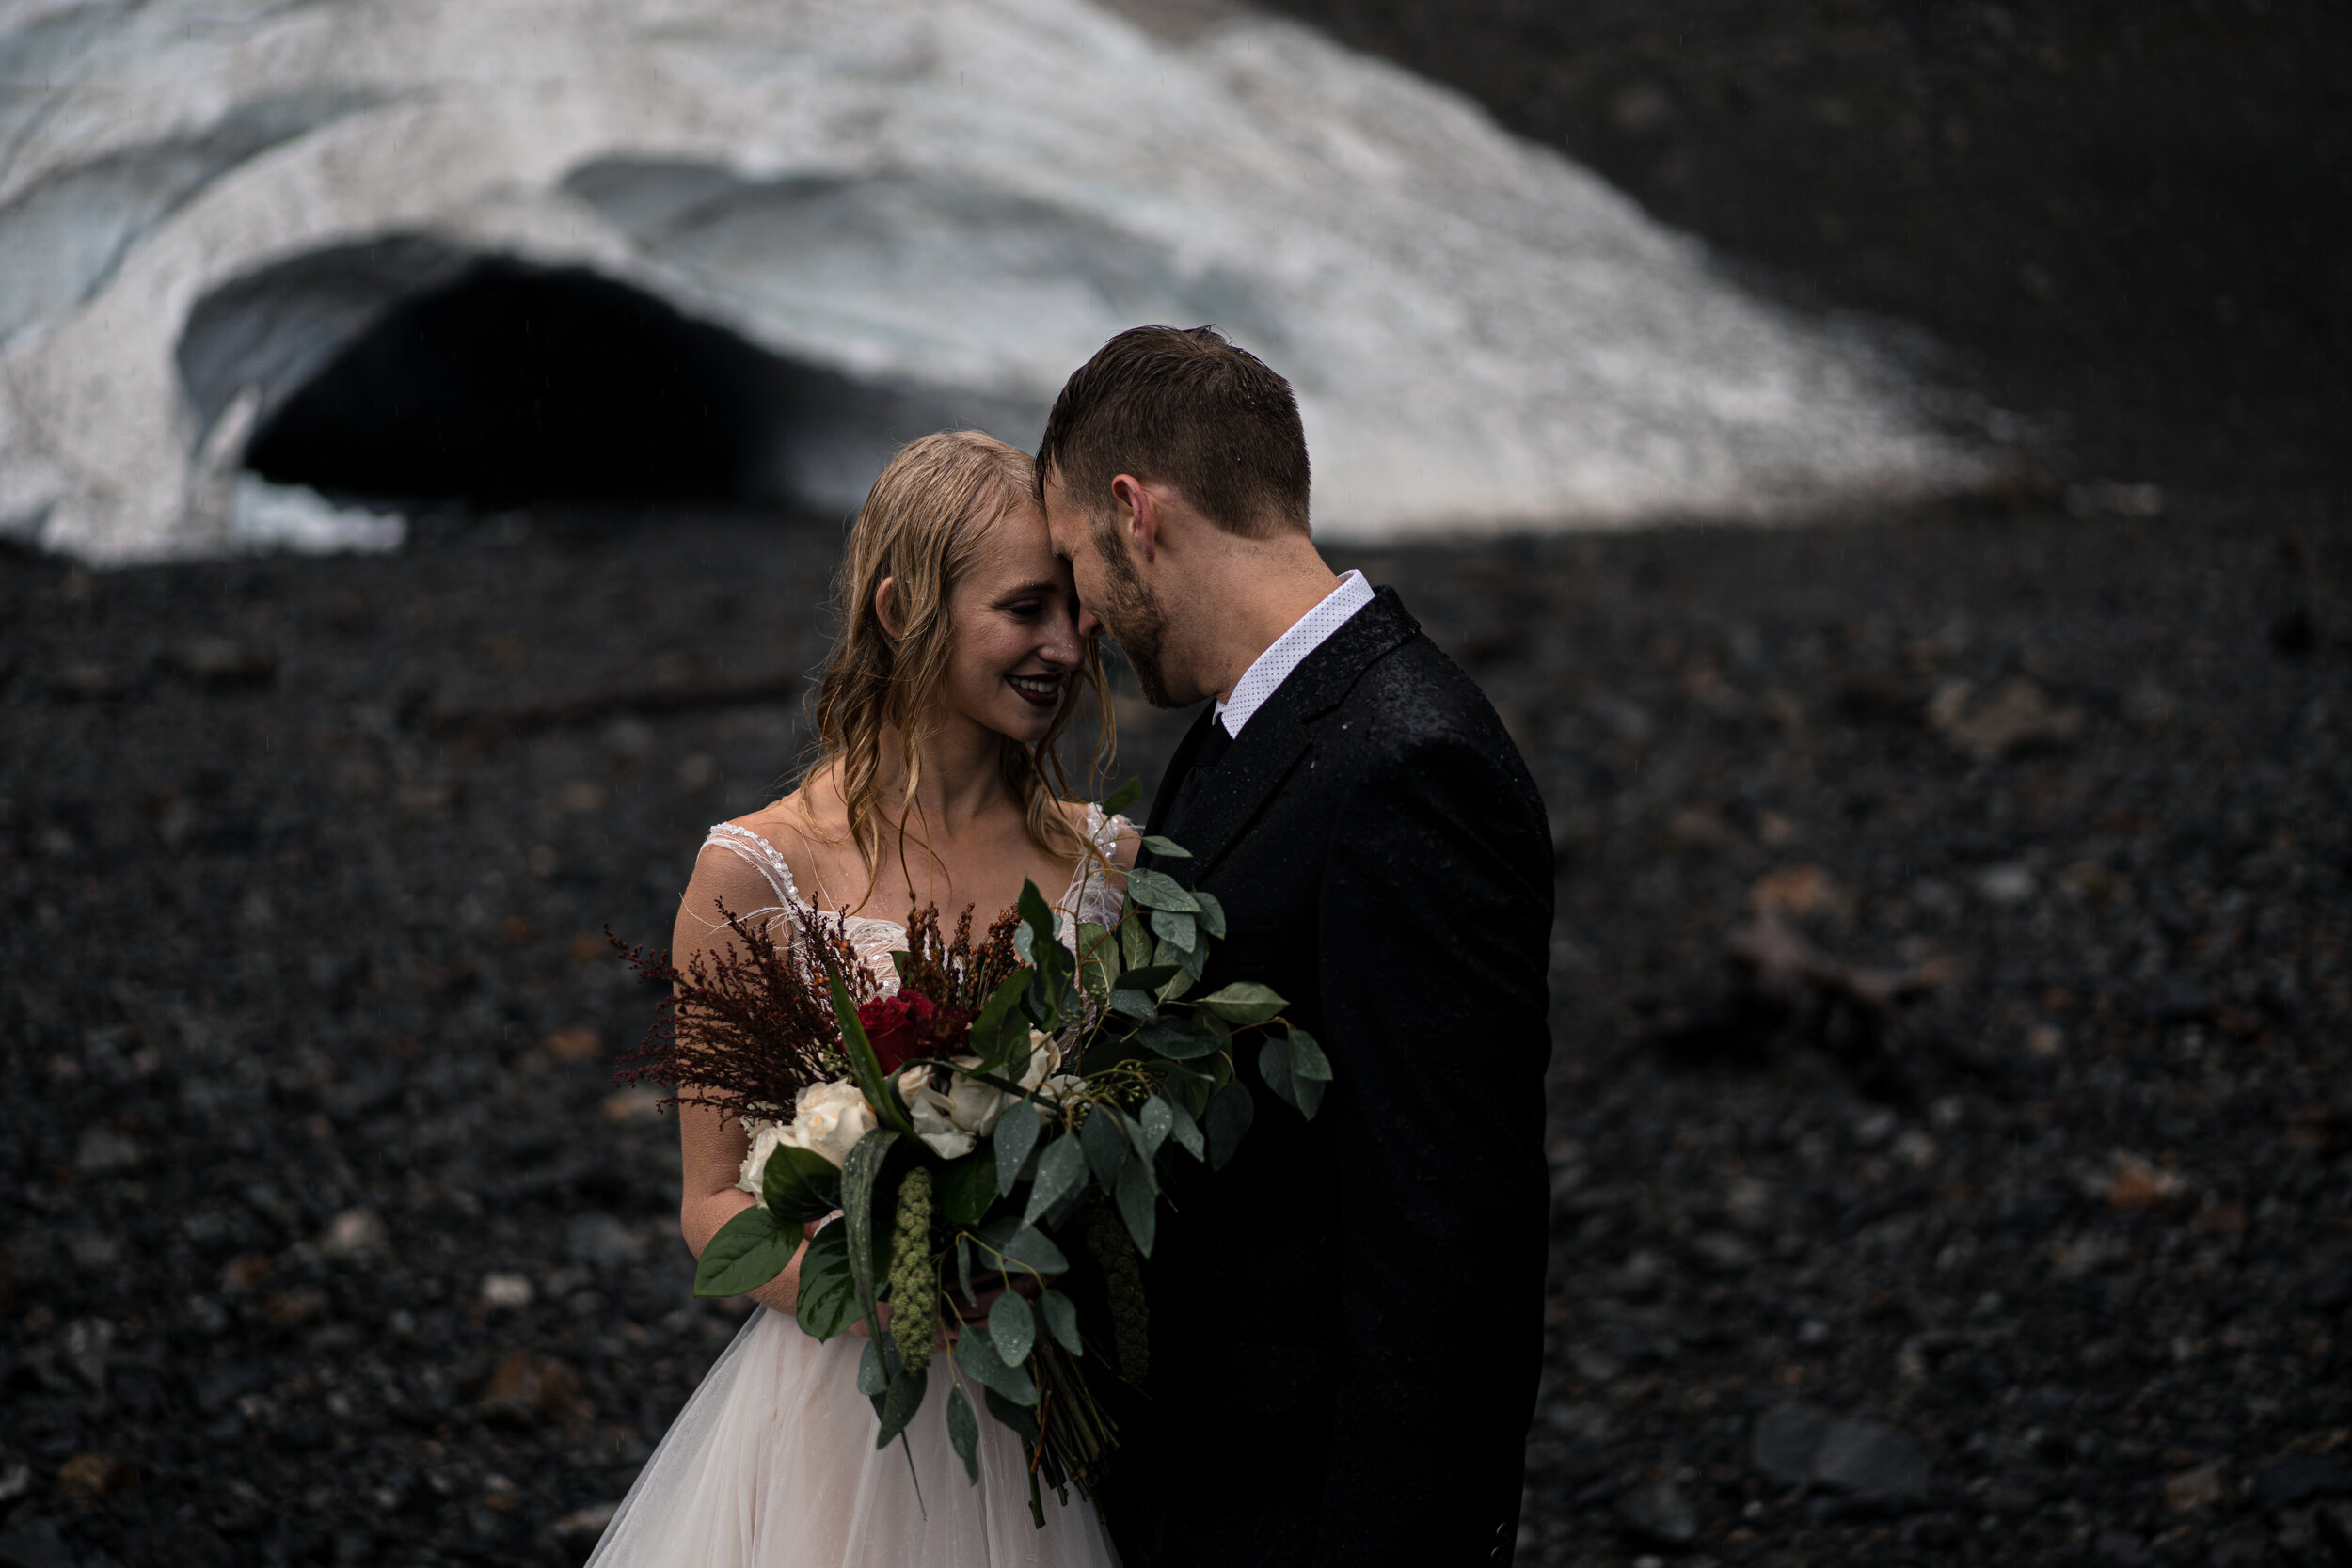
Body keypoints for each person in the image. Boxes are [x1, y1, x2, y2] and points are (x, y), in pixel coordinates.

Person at [1036, 327, 1555, 1567]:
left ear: (1133, 510)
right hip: (1209, 1477)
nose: (1083, 623)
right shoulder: (1239, 725)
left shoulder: (1410, 759)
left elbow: (1450, 1235)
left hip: (1300, 1504)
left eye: (1072, 569)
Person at [587, 430, 1134, 1568]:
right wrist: (891, 1295)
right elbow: (711, 1209)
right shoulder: (756, 873)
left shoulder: (1109, 866)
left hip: (1048, 1407)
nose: (1065, 644)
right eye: (1024, 608)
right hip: (839, 1425)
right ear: (900, 608)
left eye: (1074, 608)